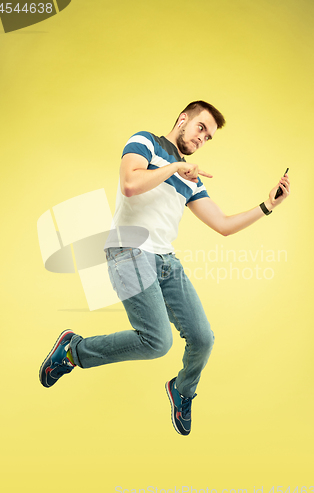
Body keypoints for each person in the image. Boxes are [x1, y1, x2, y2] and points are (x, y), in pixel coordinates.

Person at [39, 100, 290, 436]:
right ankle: (73, 351)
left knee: (203, 339)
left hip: (164, 260)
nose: (202, 139)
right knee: (157, 342)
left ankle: (182, 390)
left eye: (209, 137)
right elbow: (130, 183)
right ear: (183, 119)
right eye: (201, 128)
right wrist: (173, 168)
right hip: (127, 250)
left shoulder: (192, 180)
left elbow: (224, 225)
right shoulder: (146, 143)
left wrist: (267, 205)